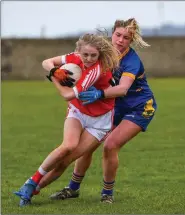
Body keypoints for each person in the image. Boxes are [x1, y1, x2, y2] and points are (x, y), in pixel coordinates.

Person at [30, 17, 157, 204]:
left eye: (127, 38)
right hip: (114, 105)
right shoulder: (99, 51)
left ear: (131, 41)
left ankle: (107, 193)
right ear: (112, 33)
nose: (121, 40)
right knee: (86, 148)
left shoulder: (131, 61)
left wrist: (99, 93)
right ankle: (72, 189)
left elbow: (122, 89)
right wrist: (60, 72)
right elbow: (77, 60)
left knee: (110, 145)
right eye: (118, 35)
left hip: (139, 106)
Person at [13, 33, 119, 207]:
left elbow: (67, 94)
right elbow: (46, 62)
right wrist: (55, 70)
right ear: (79, 51)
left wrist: (54, 78)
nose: (89, 59)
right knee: (68, 145)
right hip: (78, 111)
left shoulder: (95, 70)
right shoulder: (75, 57)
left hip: (99, 122)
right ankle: (31, 183)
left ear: (99, 55)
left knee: (65, 161)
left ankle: (32, 190)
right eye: (85, 54)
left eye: (94, 55)